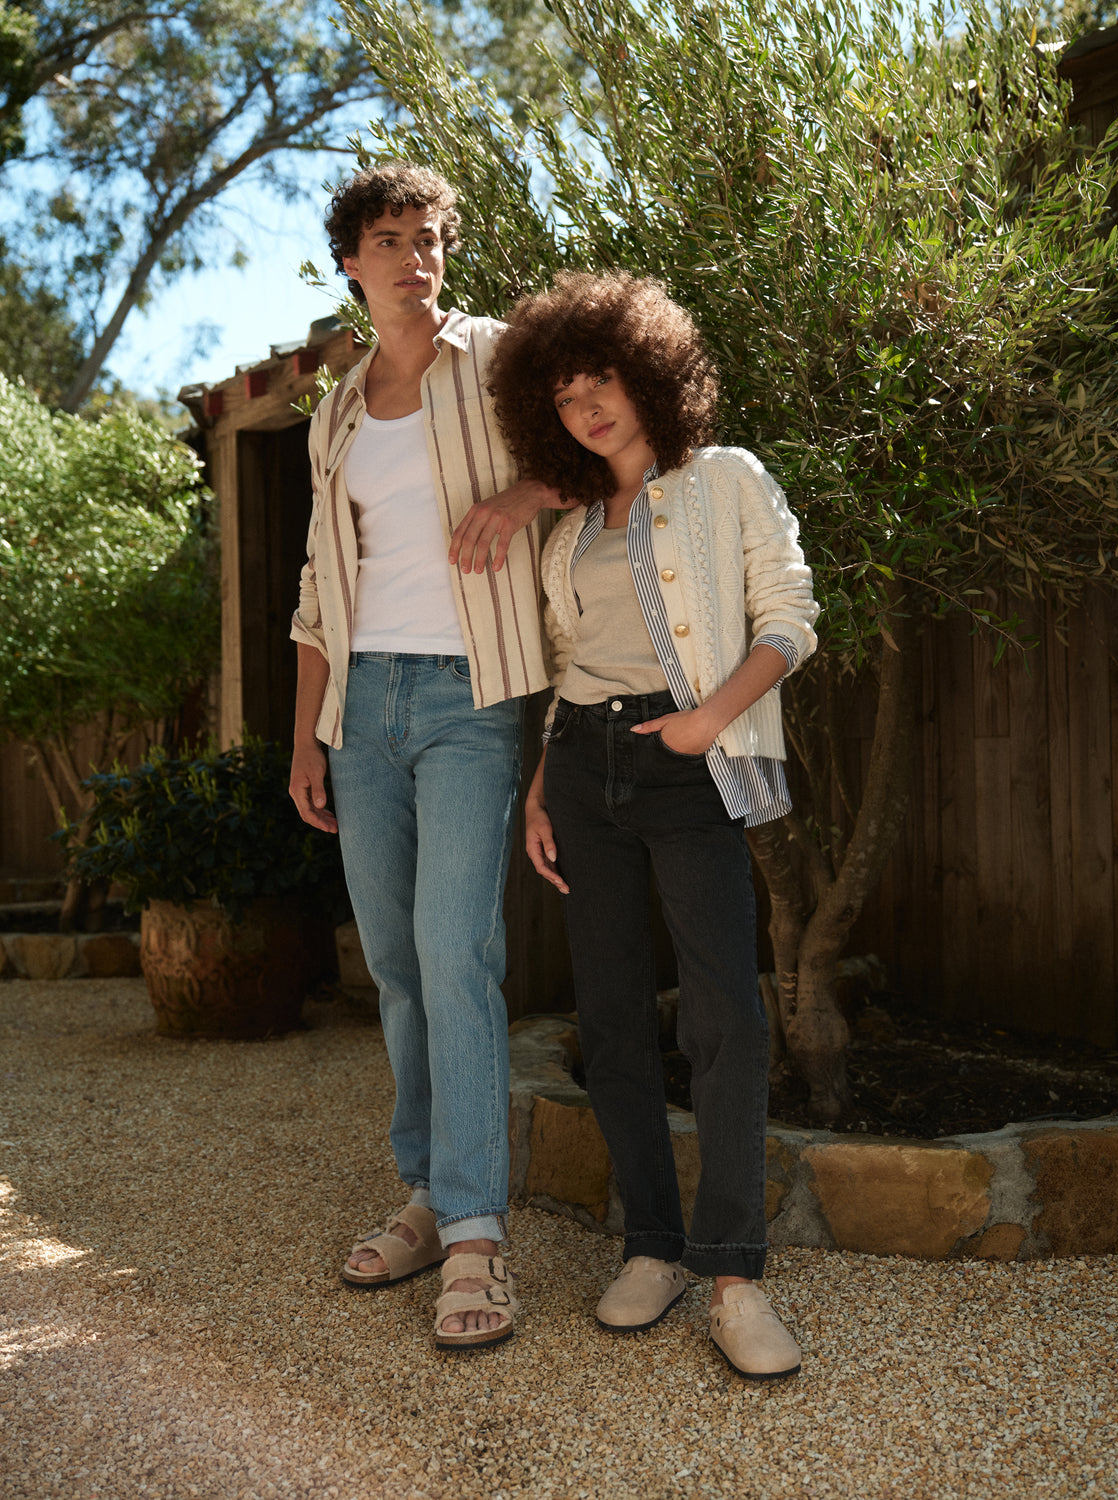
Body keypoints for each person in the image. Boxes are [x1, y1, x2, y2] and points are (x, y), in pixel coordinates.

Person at [488, 272, 820, 1380]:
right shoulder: (572, 524)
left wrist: (707, 722)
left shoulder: (722, 479)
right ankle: (652, 1245)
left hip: (689, 766)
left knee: (724, 1012)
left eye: (603, 378)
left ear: (651, 371)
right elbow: (565, 664)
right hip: (582, 767)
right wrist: (542, 781)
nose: (587, 405)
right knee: (613, 1014)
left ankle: (733, 1274)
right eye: (566, 391)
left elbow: (790, 617)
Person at [288, 162, 568, 1352]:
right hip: (365, 711)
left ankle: (475, 1237)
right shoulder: (336, 410)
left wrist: (515, 501)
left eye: (429, 238)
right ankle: (423, 1189)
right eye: (389, 239)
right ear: (353, 262)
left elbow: (601, 462)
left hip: (469, 698)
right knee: (396, 962)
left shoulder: (500, 361)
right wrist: (309, 729)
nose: (413, 257)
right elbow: (317, 587)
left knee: (458, 953)